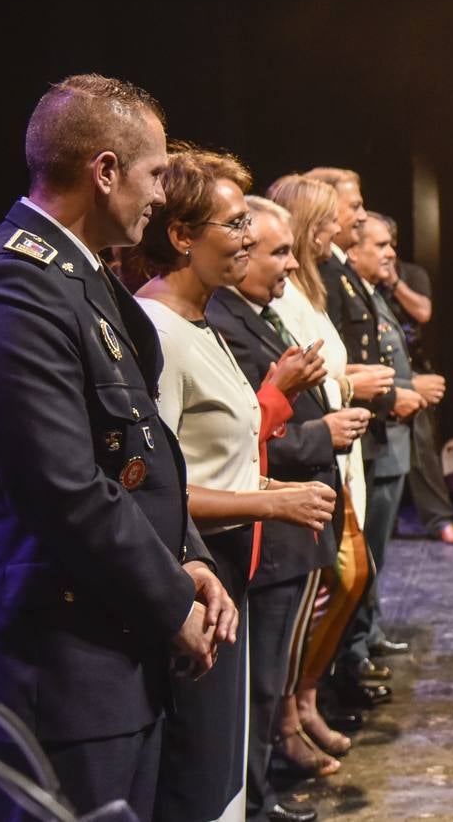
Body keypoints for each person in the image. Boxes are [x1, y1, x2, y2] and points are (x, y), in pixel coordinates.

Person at [0, 74, 234, 820]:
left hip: (106, 656)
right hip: (53, 673)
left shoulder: (78, 280)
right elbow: (64, 489)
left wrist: (188, 554)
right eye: (155, 172)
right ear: (104, 171)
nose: (162, 195)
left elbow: (141, 456)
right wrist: (171, 604)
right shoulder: (12, 287)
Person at [129, 147, 339, 822]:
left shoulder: (203, 322)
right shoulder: (157, 329)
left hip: (231, 573)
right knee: (199, 780)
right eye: (233, 223)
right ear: (182, 237)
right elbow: (150, 490)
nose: (249, 237)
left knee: (226, 773)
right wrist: (270, 500)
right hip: (195, 579)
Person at [205, 203, 364, 818]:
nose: (291, 262)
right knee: (260, 680)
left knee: (273, 673)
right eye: (277, 252)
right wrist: (322, 432)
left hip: (291, 520)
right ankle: (253, 797)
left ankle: (259, 790)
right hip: (266, 526)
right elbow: (247, 434)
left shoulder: (260, 317)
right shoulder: (225, 322)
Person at [308, 166, 420, 679]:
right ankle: (346, 657)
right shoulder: (326, 275)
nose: (357, 214)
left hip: (363, 424)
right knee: (354, 555)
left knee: (367, 552)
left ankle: (357, 643)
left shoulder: (342, 275)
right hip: (348, 425)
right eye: (352, 207)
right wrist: (385, 392)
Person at [343, 211, 444, 676]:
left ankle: (370, 629)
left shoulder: (375, 291)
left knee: (377, 548)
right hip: (378, 433)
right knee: (366, 548)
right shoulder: (348, 293)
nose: (390, 253)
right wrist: (402, 392)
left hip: (393, 435)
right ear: (354, 248)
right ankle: (357, 643)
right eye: (380, 245)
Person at [375, 213, 453, 545]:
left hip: (414, 368)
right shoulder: (357, 280)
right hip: (376, 372)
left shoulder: (412, 274)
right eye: (379, 244)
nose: (386, 251)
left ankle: (439, 519)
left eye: (389, 243)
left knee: (423, 448)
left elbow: (423, 312)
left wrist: (394, 283)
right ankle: (386, 522)